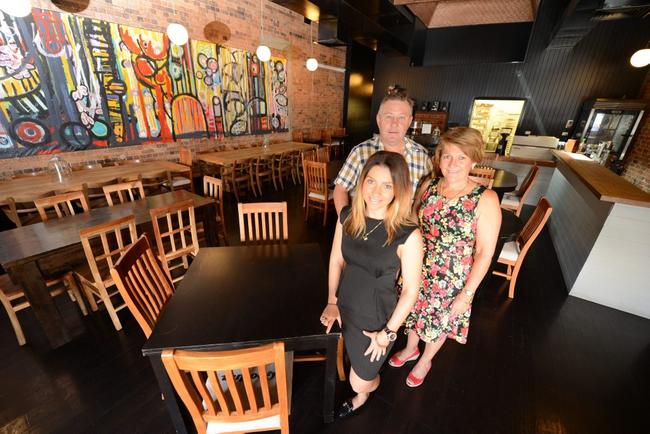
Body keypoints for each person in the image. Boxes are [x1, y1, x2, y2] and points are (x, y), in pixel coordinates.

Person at [388, 127, 501, 387]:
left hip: (451, 279)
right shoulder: (429, 185)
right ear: (439, 158)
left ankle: (425, 359)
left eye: (462, 157)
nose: (452, 163)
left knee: (438, 322)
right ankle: (410, 349)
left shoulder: (485, 198)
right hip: (417, 266)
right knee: (414, 311)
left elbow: (485, 253)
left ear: (474, 160)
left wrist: (467, 294)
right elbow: (414, 221)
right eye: (447, 156)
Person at [320, 151, 424, 417]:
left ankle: (363, 394)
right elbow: (336, 261)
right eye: (371, 181)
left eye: (387, 185)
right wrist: (332, 301)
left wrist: (387, 333)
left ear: (398, 190)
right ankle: (360, 378)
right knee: (345, 359)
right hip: (344, 304)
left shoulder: (408, 234)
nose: (376, 191)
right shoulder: (347, 217)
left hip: (376, 319)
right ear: (362, 181)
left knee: (359, 381)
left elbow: (411, 291)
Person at [333, 87, 433, 214]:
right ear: (379, 119)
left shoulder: (422, 157)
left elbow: (427, 197)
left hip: (404, 230)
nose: (394, 123)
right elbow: (340, 189)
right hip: (365, 228)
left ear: (409, 121)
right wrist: (345, 223)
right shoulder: (360, 152)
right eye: (388, 116)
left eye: (401, 118)